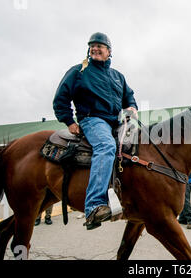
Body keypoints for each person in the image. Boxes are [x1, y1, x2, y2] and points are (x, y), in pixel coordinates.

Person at [53, 32, 138, 230]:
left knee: (138, 146)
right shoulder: (79, 71)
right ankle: (93, 206)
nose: (95, 48)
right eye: (92, 45)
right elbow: (61, 99)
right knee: (107, 146)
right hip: (93, 120)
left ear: (109, 52)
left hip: (116, 122)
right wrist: (68, 121)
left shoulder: (118, 76)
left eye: (100, 46)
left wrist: (132, 107)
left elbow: (130, 97)